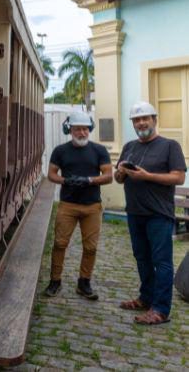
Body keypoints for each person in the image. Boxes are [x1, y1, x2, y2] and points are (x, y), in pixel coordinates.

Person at [114, 101, 185, 325]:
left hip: (158, 214)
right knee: (141, 257)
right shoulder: (129, 147)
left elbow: (178, 177)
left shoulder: (170, 146)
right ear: (133, 124)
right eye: (136, 119)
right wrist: (121, 173)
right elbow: (118, 177)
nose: (141, 122)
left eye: (145, 118)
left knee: (161, 262)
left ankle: (161, 309)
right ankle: (146, 298)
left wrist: (147, 176)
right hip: (135, 212)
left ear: (154, 120)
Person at [44, 111, 112, 300]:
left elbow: (108, 175)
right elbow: (51, 174)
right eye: (77, 129)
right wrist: (66, 181)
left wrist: (90, 180)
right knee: (59, 244)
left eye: (84, 129)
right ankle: (55, 281)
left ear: (89, 129)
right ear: (70, 130)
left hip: (92, 206)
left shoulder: (99, 150)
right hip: (68, 205)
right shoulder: (60, 150)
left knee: (90, 247)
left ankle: (84, 282)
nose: (81, 133)